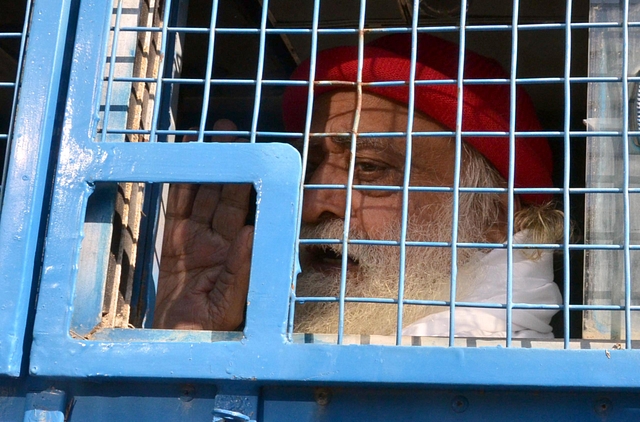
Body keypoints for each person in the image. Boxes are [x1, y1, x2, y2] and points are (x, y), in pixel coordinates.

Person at [153, 33, 565, 338]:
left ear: (493, 215)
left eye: (369, 167)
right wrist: (188, 340)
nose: (312, 203)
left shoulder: (504, 375)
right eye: (310, 166)